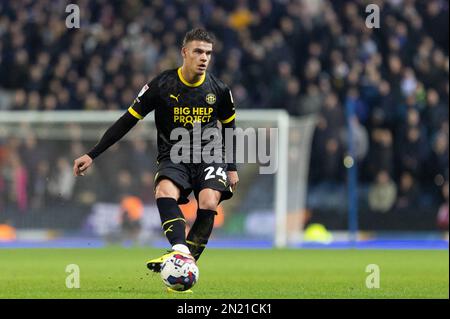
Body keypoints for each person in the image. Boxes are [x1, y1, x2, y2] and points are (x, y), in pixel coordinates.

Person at [73, 29, 239, 291]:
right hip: (174, 156)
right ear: (184, 52)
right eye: (198, 51)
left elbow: (229, 128)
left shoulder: (219, 90)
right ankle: (180, 251)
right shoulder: (161, 85)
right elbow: (127, 121)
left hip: (210, 155)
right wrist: (92, 153)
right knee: (164, 190)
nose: (204, 57)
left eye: (208, 53)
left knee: (208, 200)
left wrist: (231, 168)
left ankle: (181, 259)